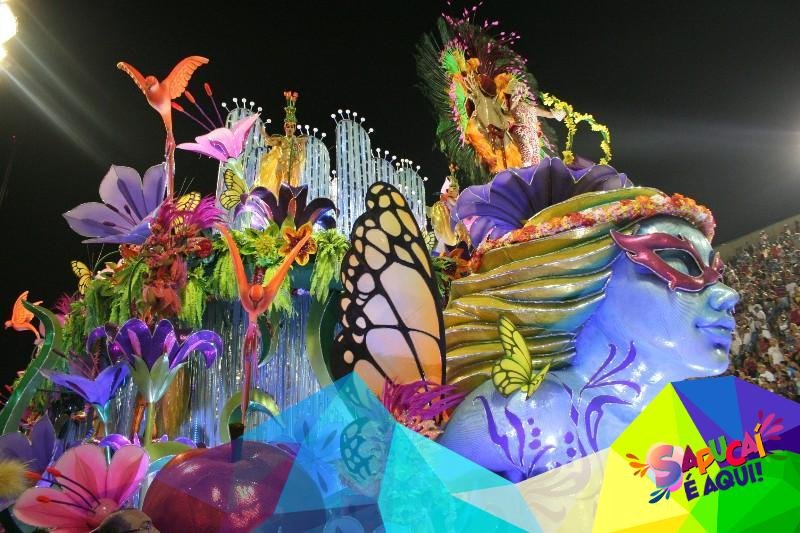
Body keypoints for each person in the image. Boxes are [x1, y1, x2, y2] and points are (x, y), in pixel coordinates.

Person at [438, 160, 737, 481]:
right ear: (587, 270)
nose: (727, 294)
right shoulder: (518, 414)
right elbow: (420, 499)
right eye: (679, 261)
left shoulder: (698, 431)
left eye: (717, 273)